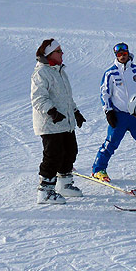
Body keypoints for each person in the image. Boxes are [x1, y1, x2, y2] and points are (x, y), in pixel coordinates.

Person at [92, 43, 136, 182]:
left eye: (124, 54)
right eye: (119, 55)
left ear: (128, 54)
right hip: (119, 115)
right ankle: (98, 169)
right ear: (116, 56)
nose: (122, 56)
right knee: (111, 143)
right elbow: (104, 94)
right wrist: (108, 112)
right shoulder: (110, 73)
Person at [31, 39, 86, 204]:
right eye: (59, 51)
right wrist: (52, 112)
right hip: (50, 123)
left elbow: (66, 98)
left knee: (70, 151)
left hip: (65, 122)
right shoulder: (41, 73)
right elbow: (38, 98)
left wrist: (75, 112)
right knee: (53, 156)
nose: (62, 54)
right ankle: (45, 191)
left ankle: (64, 184)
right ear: (49, 54)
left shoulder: (60, 71)